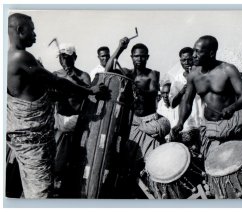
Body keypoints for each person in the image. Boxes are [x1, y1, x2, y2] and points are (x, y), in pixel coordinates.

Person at [7, 13, 110, 198]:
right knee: (40, 190)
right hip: (33, 138)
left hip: (41, 135)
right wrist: (89, 91)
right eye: (32, 30)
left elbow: (47, 90)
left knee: (39, 182)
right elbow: (57, 83)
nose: (35, 35)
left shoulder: (82, 75)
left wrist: (77, 86)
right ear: (20, 30)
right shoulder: (20, 57)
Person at [171, 35, 242, 158]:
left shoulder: (228, 69)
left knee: (231, 161)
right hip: (209, 126)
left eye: (198, 51)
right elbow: (187, 101)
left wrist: (232, 108)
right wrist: (180, 123)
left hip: (229, 125)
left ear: (211, 53)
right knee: (210, 161)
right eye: (194, 51)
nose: (194, 55)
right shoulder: (193, 75)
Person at [105, 37, 170, 174]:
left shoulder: (152, 74)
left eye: (142, 56)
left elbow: (152, 92)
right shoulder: (127, 73)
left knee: (152, 161)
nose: (139, 59)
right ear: (131, 57)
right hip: (131, 123)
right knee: (131, 161)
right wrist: (120, 48)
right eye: (136, 56)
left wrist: (136, 88)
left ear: (147, 57)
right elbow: (107, 69)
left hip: (149, 120)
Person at [53, 43, 91, 197]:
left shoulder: (83, 76)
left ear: (74, 57)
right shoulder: (55, 75)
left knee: (74, 162)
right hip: (58, 120)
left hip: (77, 124)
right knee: (55, 160)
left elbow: (90, 94)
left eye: (67, 57)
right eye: (62, 57)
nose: (64, 61)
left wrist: (74, 79)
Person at [168, 47, 204, 147]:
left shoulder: (202, 76)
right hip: (186, 124)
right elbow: (172, 104)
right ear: (180, 61)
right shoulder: (177, 79)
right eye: (184, 60)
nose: (187, 62)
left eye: (190, 59)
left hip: (202, 121)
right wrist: (182, 92)